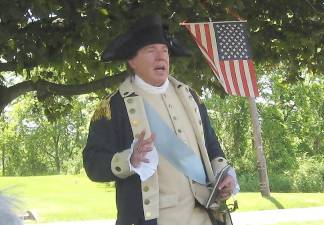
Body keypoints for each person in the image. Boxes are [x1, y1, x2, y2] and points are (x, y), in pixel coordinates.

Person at [83, 14, 239, 225]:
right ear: (132, 60)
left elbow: (211, 147)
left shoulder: (190, 97)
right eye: (151, 51)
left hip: (206, 216)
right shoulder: (113, 107)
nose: (161, 57)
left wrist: (224, 173)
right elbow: (93, 164)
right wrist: (130, 160)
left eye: (165, 51)